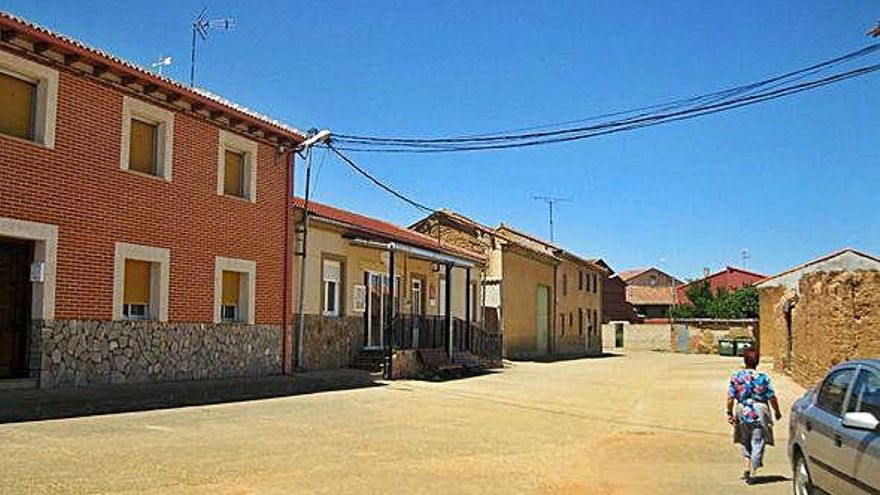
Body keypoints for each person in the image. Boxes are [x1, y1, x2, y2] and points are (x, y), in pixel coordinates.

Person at [726, 348, 782, 485]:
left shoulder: (737, 377)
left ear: (744, 361)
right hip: (760, 410)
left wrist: (729, 412)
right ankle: (753, 470)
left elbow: (730, 397)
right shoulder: (762, 377)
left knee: (745, 439)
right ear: (757, 361)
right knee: (757, 440)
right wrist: (777, 411)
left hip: (742, 410)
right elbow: (771, 396)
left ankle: (746, 465)